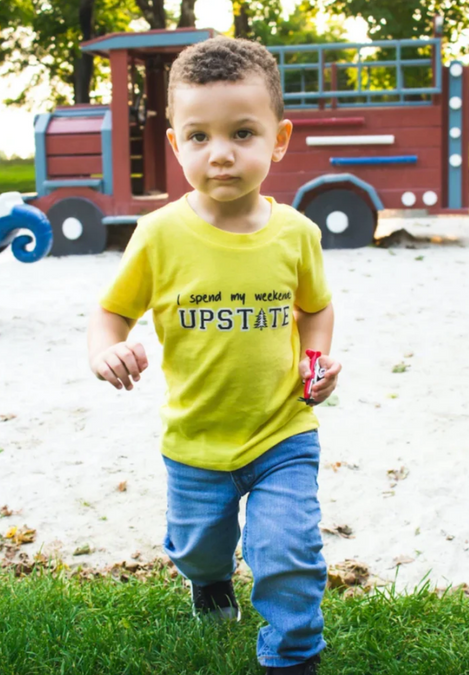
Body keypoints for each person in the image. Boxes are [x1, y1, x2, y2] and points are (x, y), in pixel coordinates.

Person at [87, 35, 341, 675]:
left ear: (279, 139)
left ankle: (292, 655)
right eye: (198, 137)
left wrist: (317, 361)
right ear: (175, 145)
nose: (221, 154)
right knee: (201, 550)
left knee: (287, 550)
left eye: (243, 133)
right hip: (195, 441)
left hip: (282, 431)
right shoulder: (160, 234)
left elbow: (315, 308)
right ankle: (208, 581)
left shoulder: (298, 235)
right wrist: (107, 348)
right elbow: (110, 311)